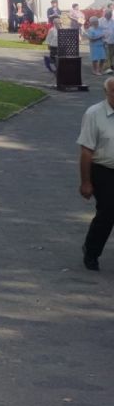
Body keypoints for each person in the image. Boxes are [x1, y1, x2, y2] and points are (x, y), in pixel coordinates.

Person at [78, 75, 114, 271]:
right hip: (103, 170)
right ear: (106, 93)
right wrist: (86, 182)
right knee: (108, 212)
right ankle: (91, 251)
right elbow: (86, 150)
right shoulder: (94, 114)